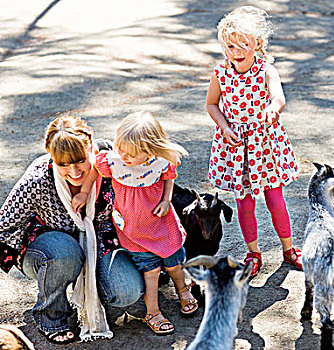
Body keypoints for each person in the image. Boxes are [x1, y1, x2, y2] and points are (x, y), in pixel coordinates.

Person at [0, 116, 144, 344]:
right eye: (63, 164)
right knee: (66, 252)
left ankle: (91, 292)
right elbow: (4, 224)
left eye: (80, 161)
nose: (74, 171)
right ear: (51, 156)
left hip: (100, 240)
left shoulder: (112, 162)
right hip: (48, 248)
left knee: (127, 292)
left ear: (91, 148)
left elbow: (150, 181)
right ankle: (51, 316)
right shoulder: (37, 179)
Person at [72, 111, 197, 335]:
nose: (125, 157)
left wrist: (167, 199)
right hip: (133, 231)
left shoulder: (161, 161)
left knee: (175, 264)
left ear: (150, 150)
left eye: (132, 154)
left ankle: (183, 289)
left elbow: (169, 179)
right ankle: (153, 312)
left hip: (162, 224)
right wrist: (82, 192)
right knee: (151, 272)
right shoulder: (113, 161)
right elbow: (94, 174)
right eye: (121, 150)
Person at [205, 6, 301, 278]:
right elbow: (212, 105)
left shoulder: (265, 70)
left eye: (243, 44)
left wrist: (273, 109)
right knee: (244, 202)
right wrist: (224, 127)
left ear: (257, 43)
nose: (236, 51)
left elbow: (278, 97)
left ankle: (289, 248)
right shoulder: (220, 73)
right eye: (230, 45)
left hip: (264, 141)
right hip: (235, 145)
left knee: (275, 199)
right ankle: (253, 252)